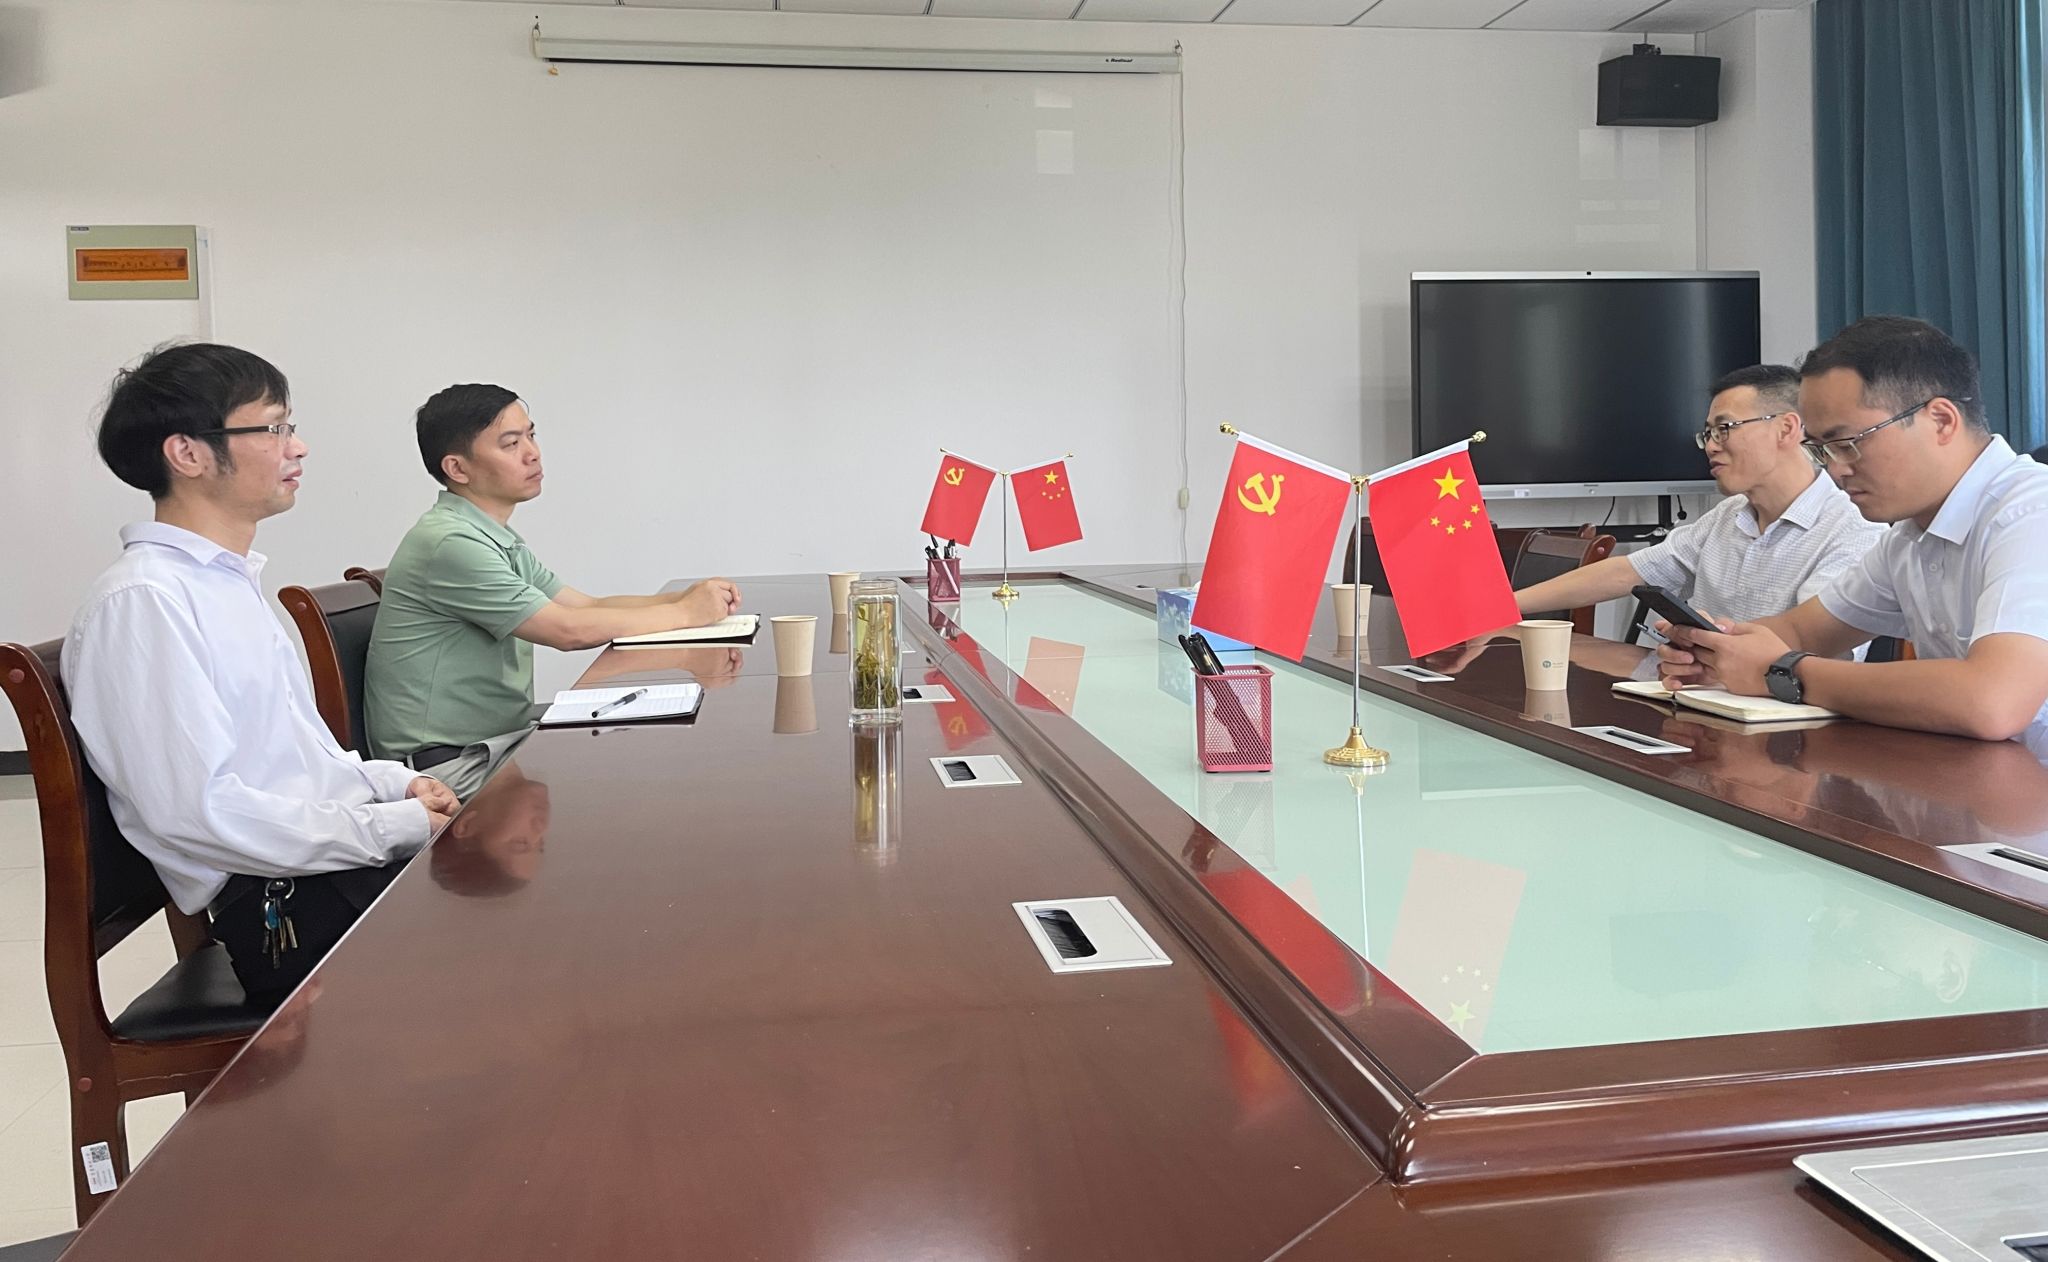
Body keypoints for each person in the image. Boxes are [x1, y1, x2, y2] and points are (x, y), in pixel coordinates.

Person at [63, 343, 457, 1008]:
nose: (297, 447)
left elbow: (297, 760)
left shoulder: (223, 583)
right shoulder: (144, 601)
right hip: (289, 910)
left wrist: (394, 784)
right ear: (187, 453)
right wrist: (392, 827)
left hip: (322, 870)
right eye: (273, 428)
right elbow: (199, 813)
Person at [1659, 316, 2048, 746]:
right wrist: (1715, 651)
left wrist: (1781, 672)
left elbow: (1993, 701)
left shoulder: (2031, 513)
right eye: (1821, 450)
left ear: (1940, 420)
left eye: (1848, 444)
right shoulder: (1907, 537)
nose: (1836, 470)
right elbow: (1803, 631)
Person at [364, 384, 741, 791]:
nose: (533, 453)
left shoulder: (488, 536)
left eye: (531, 435)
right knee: (634, 778)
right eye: (511, 443)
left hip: (497, 742)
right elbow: (567, 631)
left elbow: (585, 607)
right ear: (457, 468)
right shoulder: (451, 543)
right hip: (449, 767)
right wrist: (686, 613)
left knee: (646, 757)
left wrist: (683, 597)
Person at [1514, 363, 1884, 634]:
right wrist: (1506, 607)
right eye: (1707, 434)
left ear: (1786, 428)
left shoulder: (1854, 528)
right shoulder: (1727, 516)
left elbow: (1815, 642)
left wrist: (1712, 641)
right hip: (1702, 695)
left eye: (1724, 429)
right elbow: (1627, 572)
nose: (1710, 446)